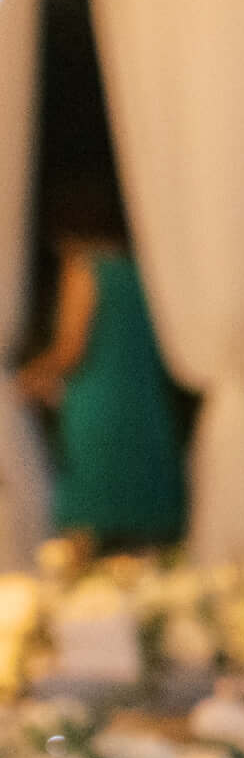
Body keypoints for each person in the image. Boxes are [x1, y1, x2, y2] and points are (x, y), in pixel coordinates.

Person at [20, 192, 184, 548]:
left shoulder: (85, 267)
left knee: (94, 521)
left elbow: (71, 347)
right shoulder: (145, 269)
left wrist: (25, 378)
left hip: (100, 404)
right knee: (146, 527)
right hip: (146, 401)